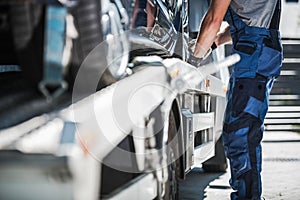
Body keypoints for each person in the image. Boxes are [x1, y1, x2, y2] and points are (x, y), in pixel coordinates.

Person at [192, 0, 283, 199]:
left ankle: (248, 197)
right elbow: (248, 21)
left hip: (254, 53)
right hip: (259, 49)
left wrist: (193, 59)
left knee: (241, 134)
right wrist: (216, 41)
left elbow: (213, 20)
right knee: (244, 130)